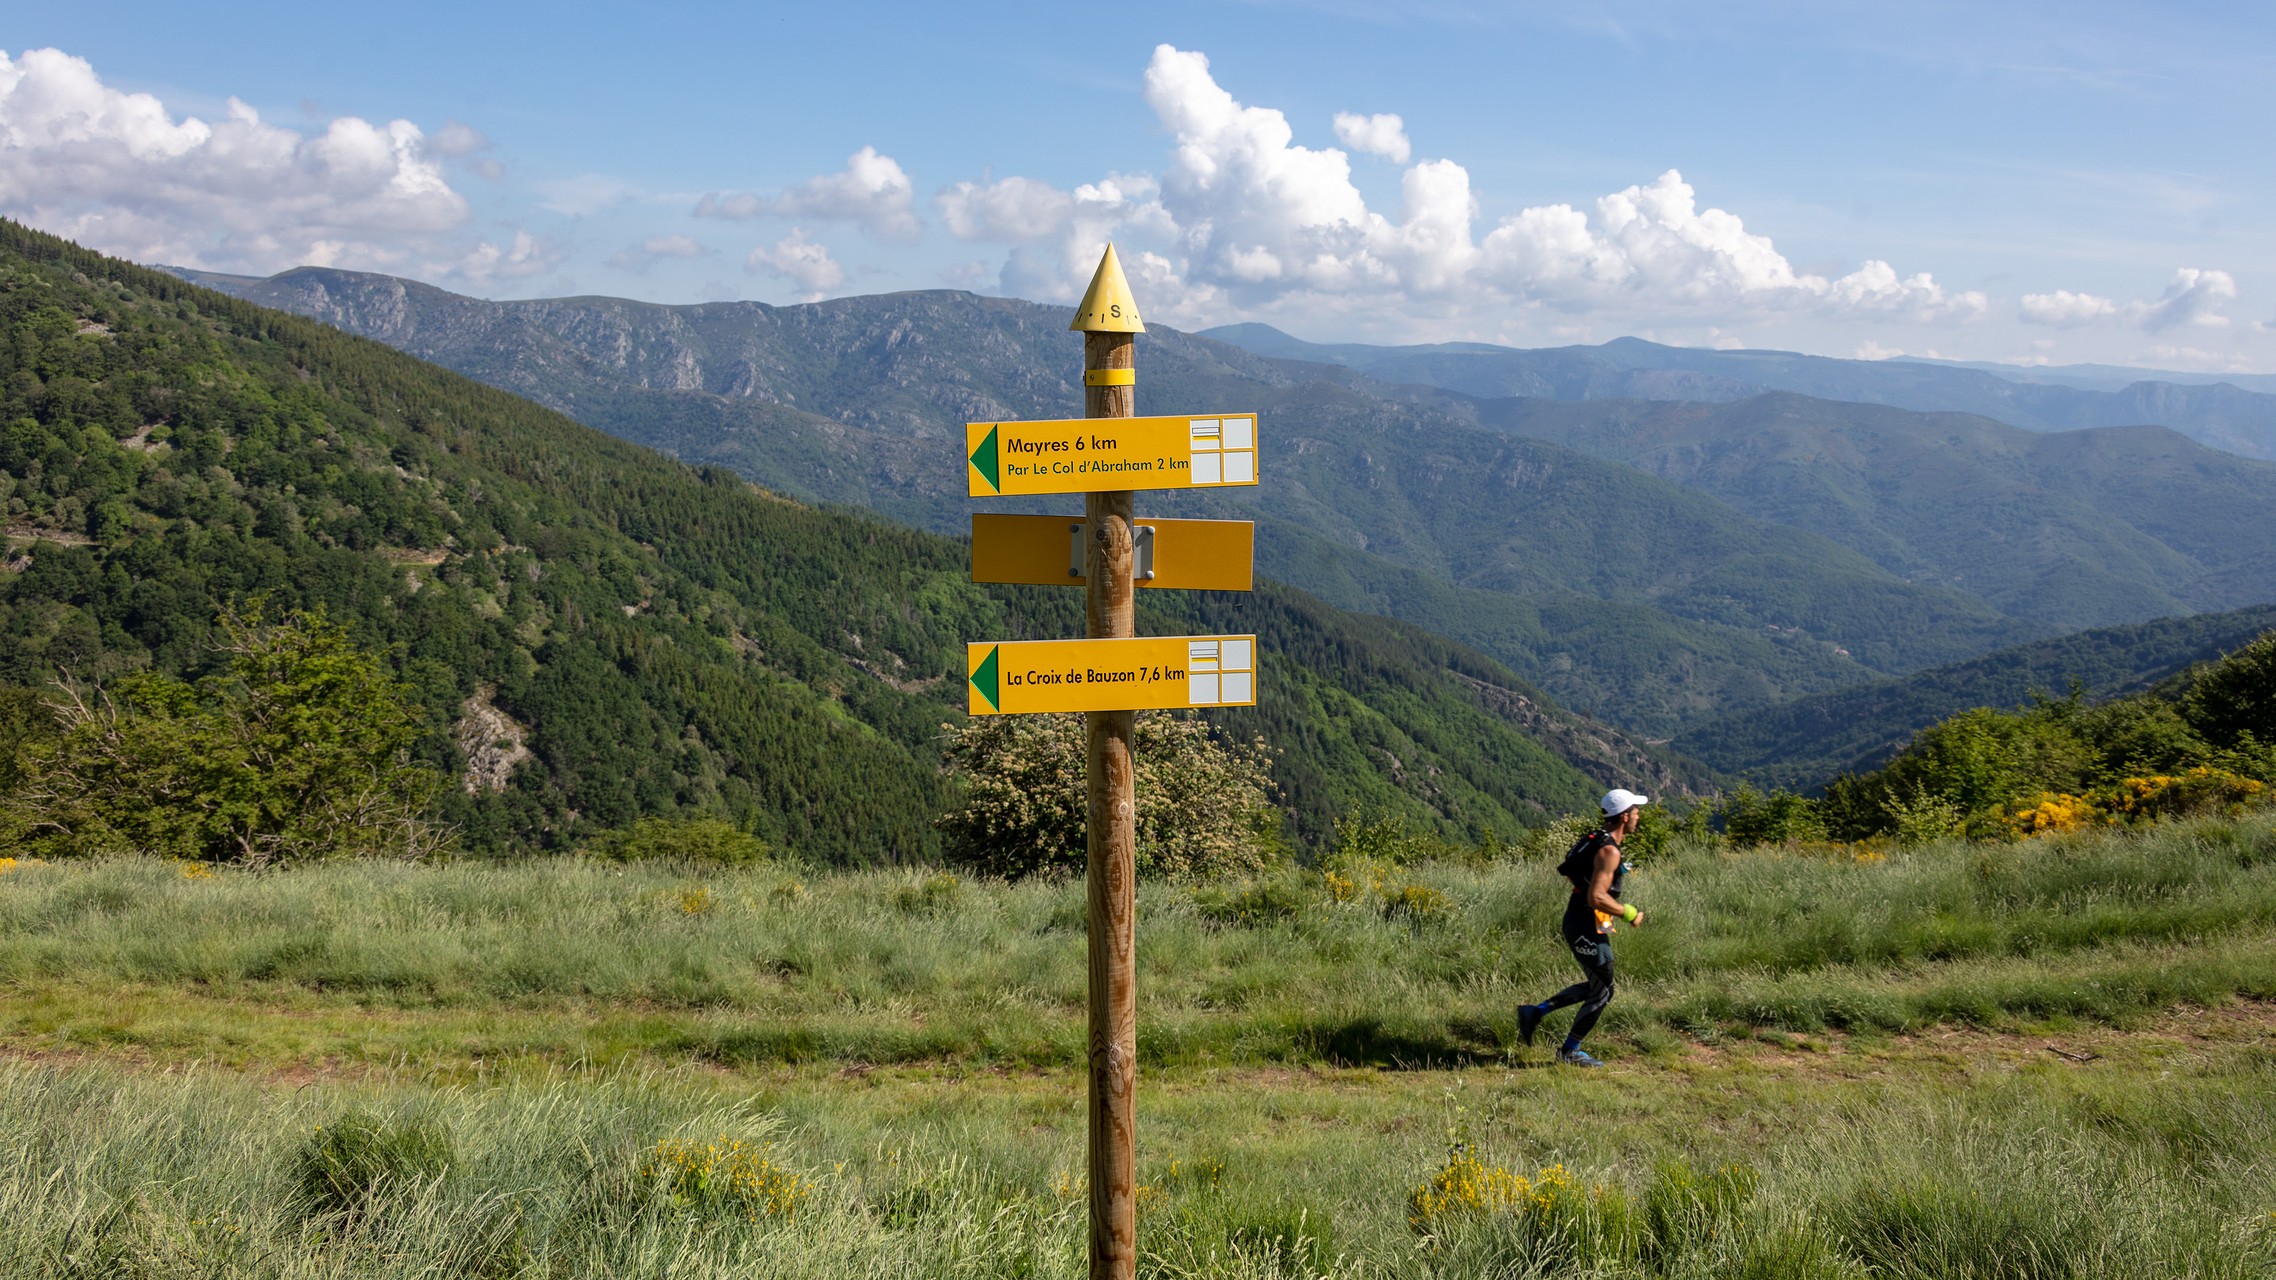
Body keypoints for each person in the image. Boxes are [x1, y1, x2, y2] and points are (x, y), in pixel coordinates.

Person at [1517, 789, 1649, 1067]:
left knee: (1597, 986)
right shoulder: (1608, 850)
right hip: (1584, 925)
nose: (1638, 816)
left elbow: (1579, 879)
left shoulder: (1596, 839)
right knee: (1603, 991)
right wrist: (1629, 912)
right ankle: (1568, 1051)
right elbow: (1596, 896)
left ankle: (1535, 1013)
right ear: (1625, 816)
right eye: (1636, 811)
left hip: (1582, 920)